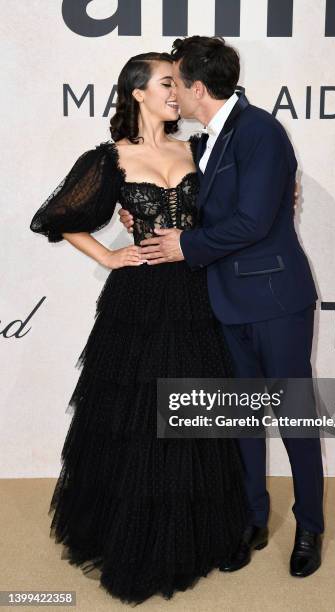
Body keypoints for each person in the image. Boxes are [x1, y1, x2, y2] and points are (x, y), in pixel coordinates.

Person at [29, 52, 250, 606]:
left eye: (179, 83)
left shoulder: (201, 148)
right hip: (142, 300)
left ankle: (196, 535)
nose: (177, 92)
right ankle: (135, 538)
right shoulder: (111, 158)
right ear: (137, 93)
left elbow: (236, 212)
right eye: (167, 83)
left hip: (199, 294)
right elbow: (57, 218)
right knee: (139, 420)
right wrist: (108, 255)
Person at [119, 36, 325, 578]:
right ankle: (252, 519)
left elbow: (253, 222)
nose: (173, 94)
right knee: (241, 420)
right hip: (224, 301)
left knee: (295, 419)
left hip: (276, 301)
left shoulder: (259, 132)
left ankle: (310, 526)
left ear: (198, 88)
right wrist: (150, 223)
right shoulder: (204, 140)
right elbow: (205, 210)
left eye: (176, 83)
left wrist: (183, 245)